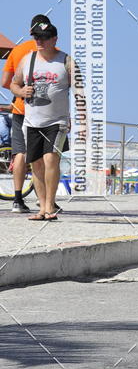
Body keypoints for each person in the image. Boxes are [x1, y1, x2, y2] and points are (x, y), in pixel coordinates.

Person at [10, 20, 73, 221]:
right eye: (36, 37)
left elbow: (80, 91)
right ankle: (42, 208)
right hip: (32, 121)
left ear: (54, 39)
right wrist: (21, 91)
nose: (40, 41)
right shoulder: (27, 60)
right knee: (36, 163)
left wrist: (80, 117)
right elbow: (13, 84)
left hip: (57, 121)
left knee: (50, 159)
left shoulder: (66, 60)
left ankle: (49, 206)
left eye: (44, 38)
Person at [1, 15, 48, 213]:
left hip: (21, 109)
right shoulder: (51, 52)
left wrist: (19, 90)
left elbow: (5, 83)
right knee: (46, 155)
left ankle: (17, 200)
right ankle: (44, 200)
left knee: (20, 153)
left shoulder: (18, 51)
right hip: (46, 110)